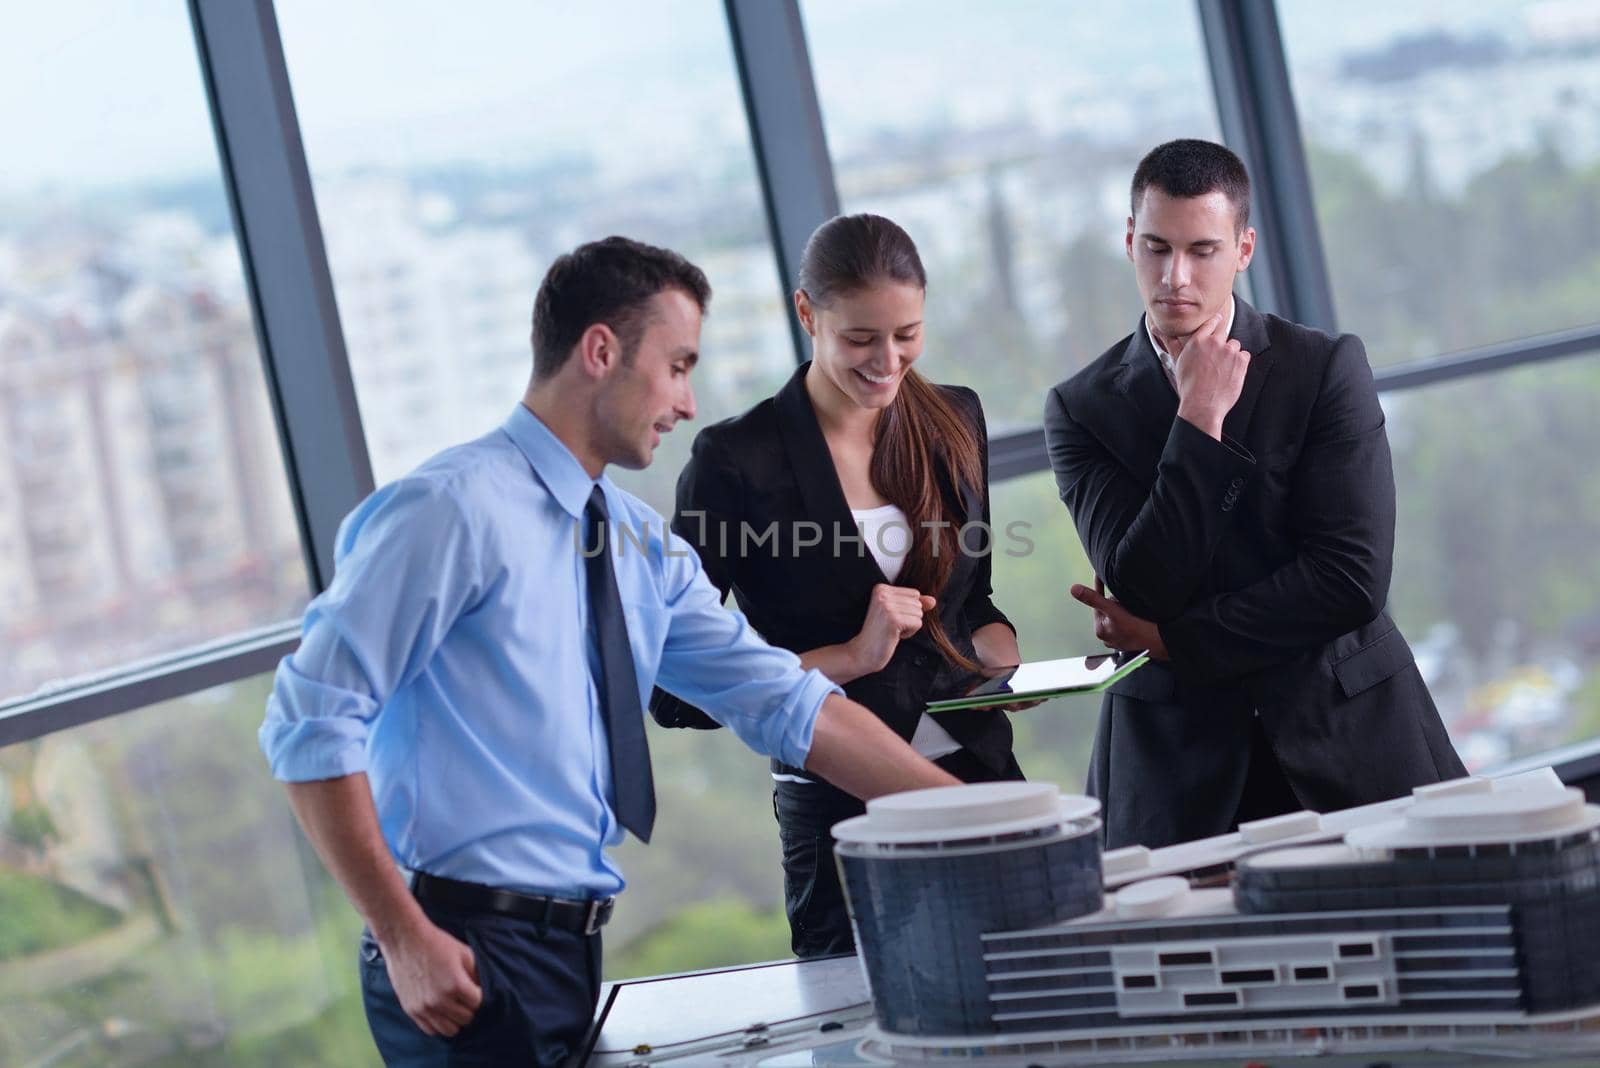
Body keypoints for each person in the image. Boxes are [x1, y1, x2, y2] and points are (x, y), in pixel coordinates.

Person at [258, 236, 962, 1066]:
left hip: (568, 952)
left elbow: (784, 702)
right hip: (457, 950)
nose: (688, 402)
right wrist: (403, 936)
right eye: (677, 366)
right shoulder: (450, 511)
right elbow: (309, 724)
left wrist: (979, 817)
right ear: (601, 351)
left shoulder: (634, 543)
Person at [1043, 139, 1465, 852]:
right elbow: (1143, 583)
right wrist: (1198, 421)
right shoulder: (1081, 408)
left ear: (1243, 250)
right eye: (1156, 248)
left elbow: (1350, 579)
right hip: (1177, 772)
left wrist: (1174, 640)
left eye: (1202, 250)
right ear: (1128, 243)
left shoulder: (1325, 368)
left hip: (1349, 737)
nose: (1175, 276)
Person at [649, 214, 1027, 958]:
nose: (888, 361)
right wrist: (853, 655)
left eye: (907, 334)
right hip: (840, 829)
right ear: (806, 314)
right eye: (861, 339)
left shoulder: (955, 417)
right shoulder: (735, 462)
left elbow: (973, 600)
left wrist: (998, 654)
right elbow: (676, 692)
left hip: (978, 781)